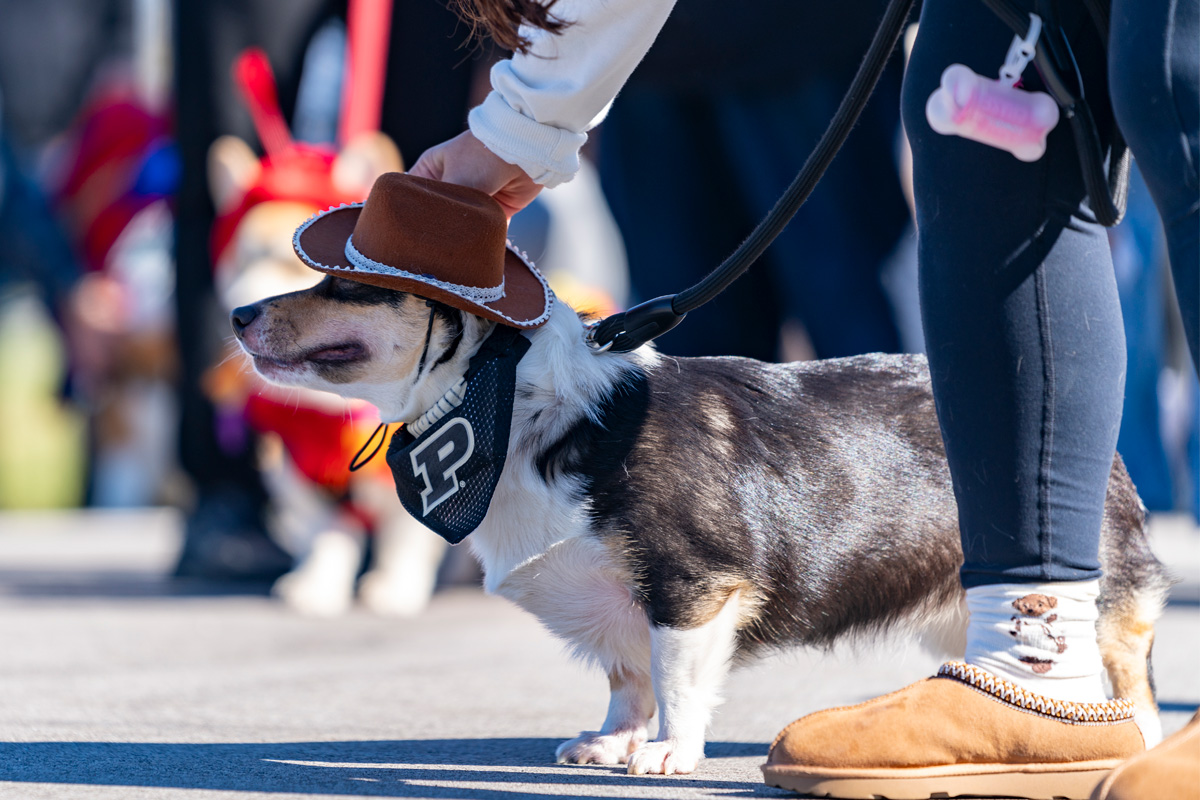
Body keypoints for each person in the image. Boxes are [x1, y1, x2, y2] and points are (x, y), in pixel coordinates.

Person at [409, 0, 1199, 797]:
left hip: (800, 33)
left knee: (1176, 80)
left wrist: (515, 126)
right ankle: (1039, 662)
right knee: (975, 130)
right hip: (679, 64)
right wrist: (516, 128)